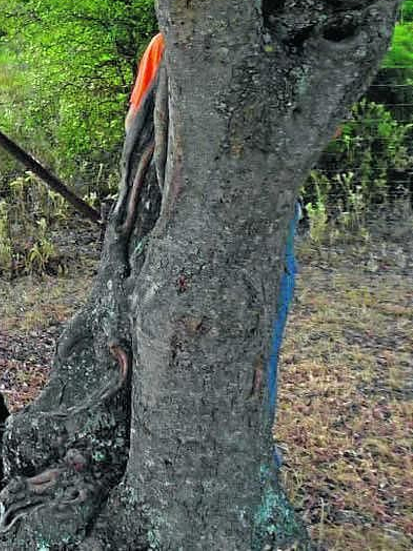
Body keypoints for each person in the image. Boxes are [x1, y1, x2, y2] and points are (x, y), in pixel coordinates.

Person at [125, 32, 297, 424]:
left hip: (210, 218)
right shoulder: (284, 46)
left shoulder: (167, 43)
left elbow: (135, 126)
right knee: (251, 341)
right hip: (225, 218)